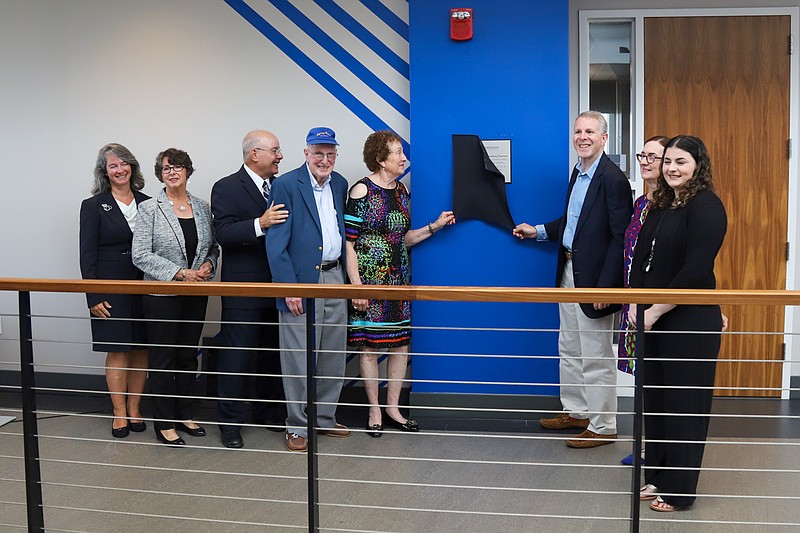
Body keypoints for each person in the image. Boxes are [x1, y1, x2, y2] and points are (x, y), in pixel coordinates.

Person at [513, 110, 632, 448]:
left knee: (595, 353)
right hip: (567, 271)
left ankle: (604, 425)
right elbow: (572, 221)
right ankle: (577, 412)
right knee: (569, 347)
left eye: (590, 132)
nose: (582, 137)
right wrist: (536, 231)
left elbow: (619, 238)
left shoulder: (613, 179)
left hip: (593, 280)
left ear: (604, 138)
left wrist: (604, 287)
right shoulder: (578, 172)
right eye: (578, 131)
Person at [628, 135, 727, 512]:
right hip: (652, 318)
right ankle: (657, 476)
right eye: (667, 160)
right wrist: (636, 303)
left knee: (685, 407)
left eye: (680, 161)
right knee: (655, 402)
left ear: (698, 165)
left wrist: (654, 310)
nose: (671, 167)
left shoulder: (707, 206)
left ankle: (680, 491)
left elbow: (695, 270)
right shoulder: (664, 204)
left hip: (686, 321)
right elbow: (642, 262)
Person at [345, 130, 456, 438]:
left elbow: (402, 239)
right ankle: (374, 410)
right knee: (368, 347)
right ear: (380, 160)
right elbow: (349, 244)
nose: (404, 158)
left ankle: (393, 408)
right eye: (397, 153)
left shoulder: (402, 192)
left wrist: (434, 226)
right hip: (369, 284)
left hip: (399, 282)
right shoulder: (360, 192)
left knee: (400, 345)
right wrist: (356, 287)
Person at [266, 127, 351, 452]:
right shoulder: (287, 184)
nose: (324, 160)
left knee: (332, 353)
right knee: (298, 357)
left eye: (330, 154)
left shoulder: (340, 183)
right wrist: (290, 288)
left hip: (334, 278)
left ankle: (324, 418)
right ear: (306, 154)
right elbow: (276, 245)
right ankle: (297, 426)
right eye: (318, 153)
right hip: (300, 282)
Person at [132, 148, 219, 446]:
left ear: (188, 171)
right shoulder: (149, 209)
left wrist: (209, 265)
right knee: (163, 359)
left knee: (186, 356)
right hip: (162, 294)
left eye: (178, 167)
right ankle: (164, 422)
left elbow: (212, 248)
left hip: (195, 295)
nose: (172, 172)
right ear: (160, 174)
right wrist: (180, 274)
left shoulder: (203, 207)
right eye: (166, 168)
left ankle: (184, 413)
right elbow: (140, 255)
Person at [211, 130, 289, 449]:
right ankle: (229, 423)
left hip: (277, 286)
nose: (280, 156)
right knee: (237, 356)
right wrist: (261, 223)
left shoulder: (282, 187)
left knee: (272, 354)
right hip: (243, 289)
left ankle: (268, 412)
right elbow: (223, 233)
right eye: (275, 150)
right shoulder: (226, 187)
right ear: (254, 154)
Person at [79, 143, 149, 439]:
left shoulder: (149, 202)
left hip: (145, 287)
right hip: (110, 289)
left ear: (132, 166)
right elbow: (87, 254)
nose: (120, 170)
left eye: (124, 164)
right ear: (104, 172)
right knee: (118, 350)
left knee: (142, 350)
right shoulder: (93, 205)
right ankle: (119, 412)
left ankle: (135, 409)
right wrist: (93, 297)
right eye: (113, 166)